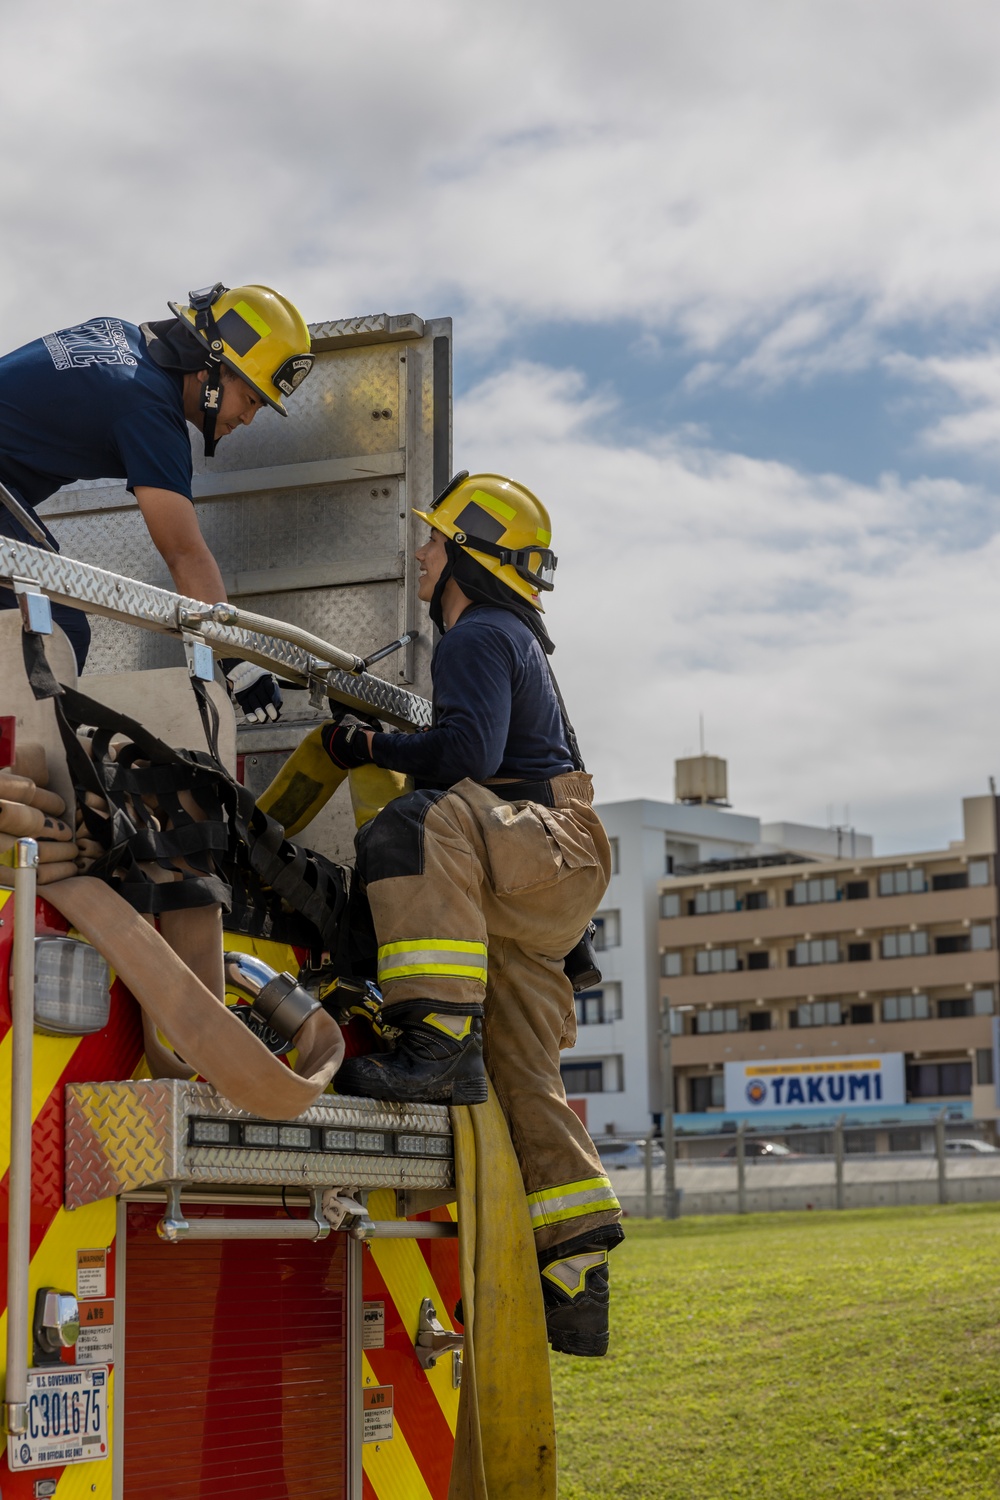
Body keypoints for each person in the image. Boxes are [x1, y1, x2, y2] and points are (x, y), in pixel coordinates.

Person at [324, 471, 624, 1358]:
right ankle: (577, 1271)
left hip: (533, 846)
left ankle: (434, 1047)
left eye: (434, 540)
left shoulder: (475, 634)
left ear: (468, 558)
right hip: (546, 871)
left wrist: (364, 743)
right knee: (524, 1073)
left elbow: (464, 755)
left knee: (408, 827)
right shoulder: (517, 638)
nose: (420, 553)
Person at [0, 282, 314, 721]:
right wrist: (235, 657)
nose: (248, 418)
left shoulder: (120, 337)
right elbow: (184, 552)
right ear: (209, 369)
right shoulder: (149, 409)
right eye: (250, 398)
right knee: (57, 630)